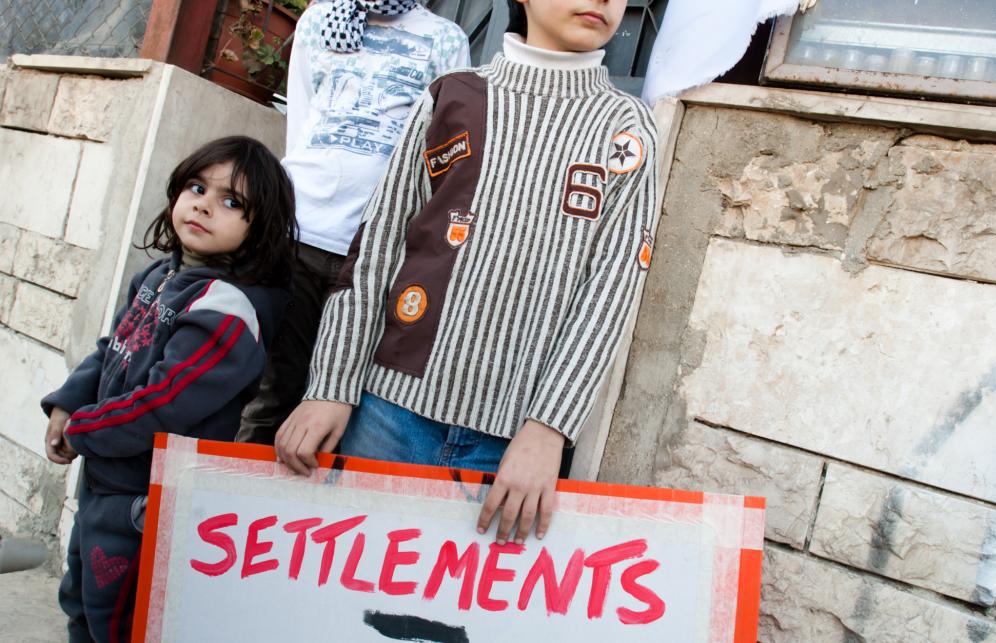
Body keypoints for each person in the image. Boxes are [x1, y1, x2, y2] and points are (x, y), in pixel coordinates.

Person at [277, 0, 658, 547]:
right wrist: (331, 385)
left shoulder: (627, 127)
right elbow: (380, 244)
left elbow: (612, 290)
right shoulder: (451, 96)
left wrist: (549, 430)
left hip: (513, 449)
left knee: (450, 628)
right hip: (388, 414)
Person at [41, 136, 297, 643]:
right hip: (105, 480)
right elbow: (111, 348)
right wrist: (68, 405)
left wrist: (85, 429)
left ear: (259, 229)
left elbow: (164, 403)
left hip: (148, 499)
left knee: (120, 619)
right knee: (79, 601)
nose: (203, 204)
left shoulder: (227, 312)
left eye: (231, 202)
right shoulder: (161, 276)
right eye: (197, 187)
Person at [236, 0, 470, 445]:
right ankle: (237, 507)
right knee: (270, 391)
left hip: (374, 253)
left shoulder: (446, 39)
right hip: (296, 236)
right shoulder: (320, 20)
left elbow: (438, 146)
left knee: (342, 400)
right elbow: (301, 123)